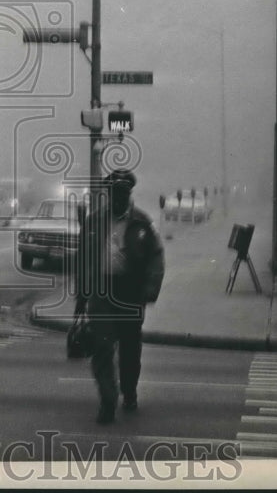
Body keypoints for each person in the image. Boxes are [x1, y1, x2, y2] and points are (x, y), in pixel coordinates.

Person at [75, 168, 164, 424]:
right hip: (102, 292)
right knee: (102, 348)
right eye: (114, 193)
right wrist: (82, 295)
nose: (118, 198)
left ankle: (129, 390)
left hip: (130, 292)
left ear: (129, 194)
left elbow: (156, 257)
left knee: (130, 348)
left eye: (123, 193)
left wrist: (150, 289)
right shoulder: (94, 222)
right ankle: (108, 400)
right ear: (108, 194)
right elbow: (83, 259)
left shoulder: (142, 223)